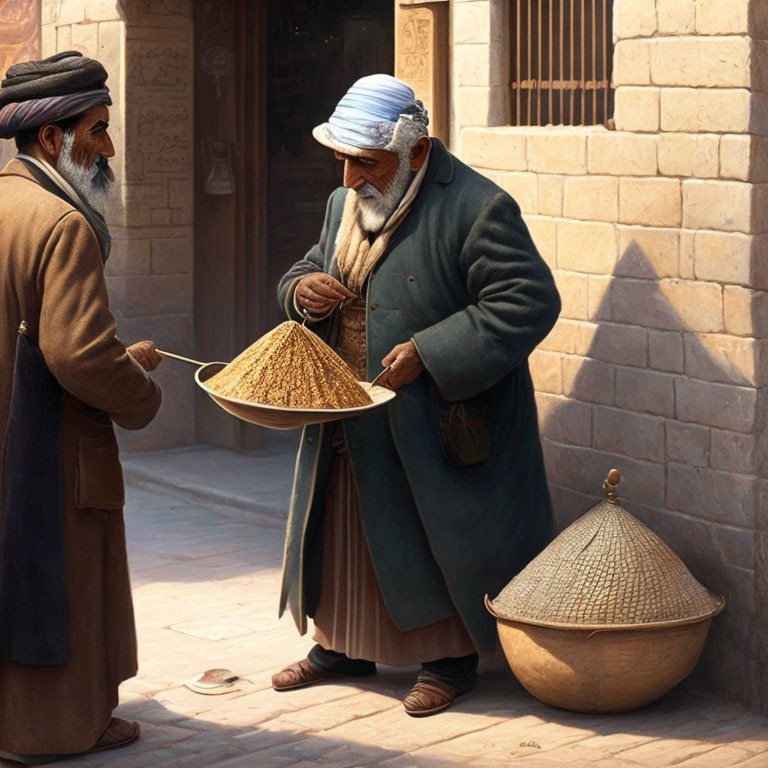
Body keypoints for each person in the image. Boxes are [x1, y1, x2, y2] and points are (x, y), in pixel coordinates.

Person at [274, 74, 561, 716]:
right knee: (346, 531)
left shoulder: (479, 209)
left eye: (365, 163)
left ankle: (448, 660)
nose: (350, 178)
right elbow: (305, 267)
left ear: (418, 153)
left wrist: (431, 352)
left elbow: (529, 301)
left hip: (431, 420)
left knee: (427, 535)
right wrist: (303, 290)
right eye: (343, 161)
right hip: (350, 412)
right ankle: (339, 646)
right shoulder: (341, 203)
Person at [0, 51, 162, 759]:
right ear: (49, 139)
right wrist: (141, 390)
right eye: (96, 131)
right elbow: (80, 356)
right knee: (58, 581)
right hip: (48, 445)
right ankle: (60, 727)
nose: (108, 149)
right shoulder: (60, 224)